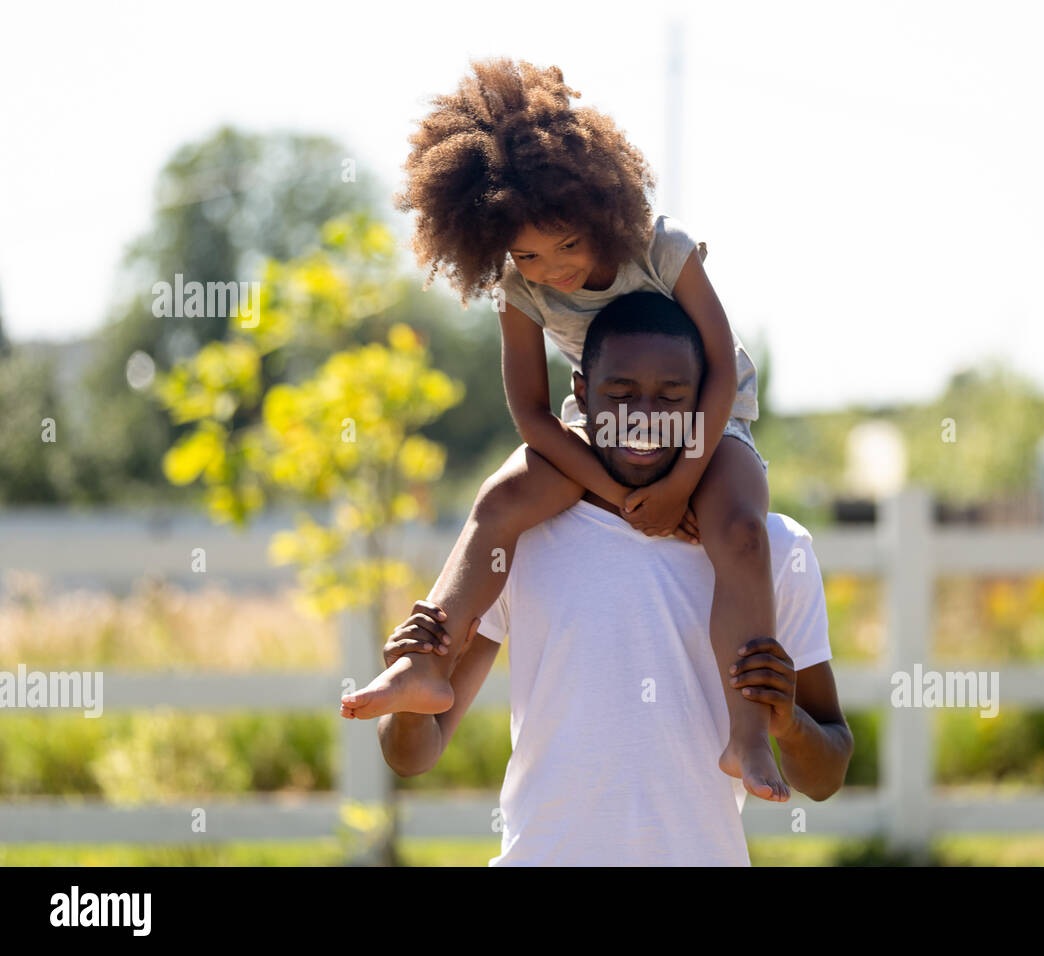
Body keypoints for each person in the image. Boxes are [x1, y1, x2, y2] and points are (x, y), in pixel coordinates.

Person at [342, 57, 787, 800]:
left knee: (742, 531)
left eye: (567, 245)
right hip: (601, 422)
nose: (551, 269)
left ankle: (747, 736)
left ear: (599, 208)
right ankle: (426, 659)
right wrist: (611, 486)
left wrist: (681, 482)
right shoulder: (519, 290)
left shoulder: (661, 246)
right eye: (527, 254)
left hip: (706, 411)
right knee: (499, 501)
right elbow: (533, 415)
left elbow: (716, 365)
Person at [365, 293, 853, 865]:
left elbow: (827, 773)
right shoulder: (522, 536)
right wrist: (410, 701)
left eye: (672, 398)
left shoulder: (771, 548)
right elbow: (415, 754)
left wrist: (786, 721)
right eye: (619, 395)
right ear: (579, 396)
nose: (642, 417)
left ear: (707, 408)